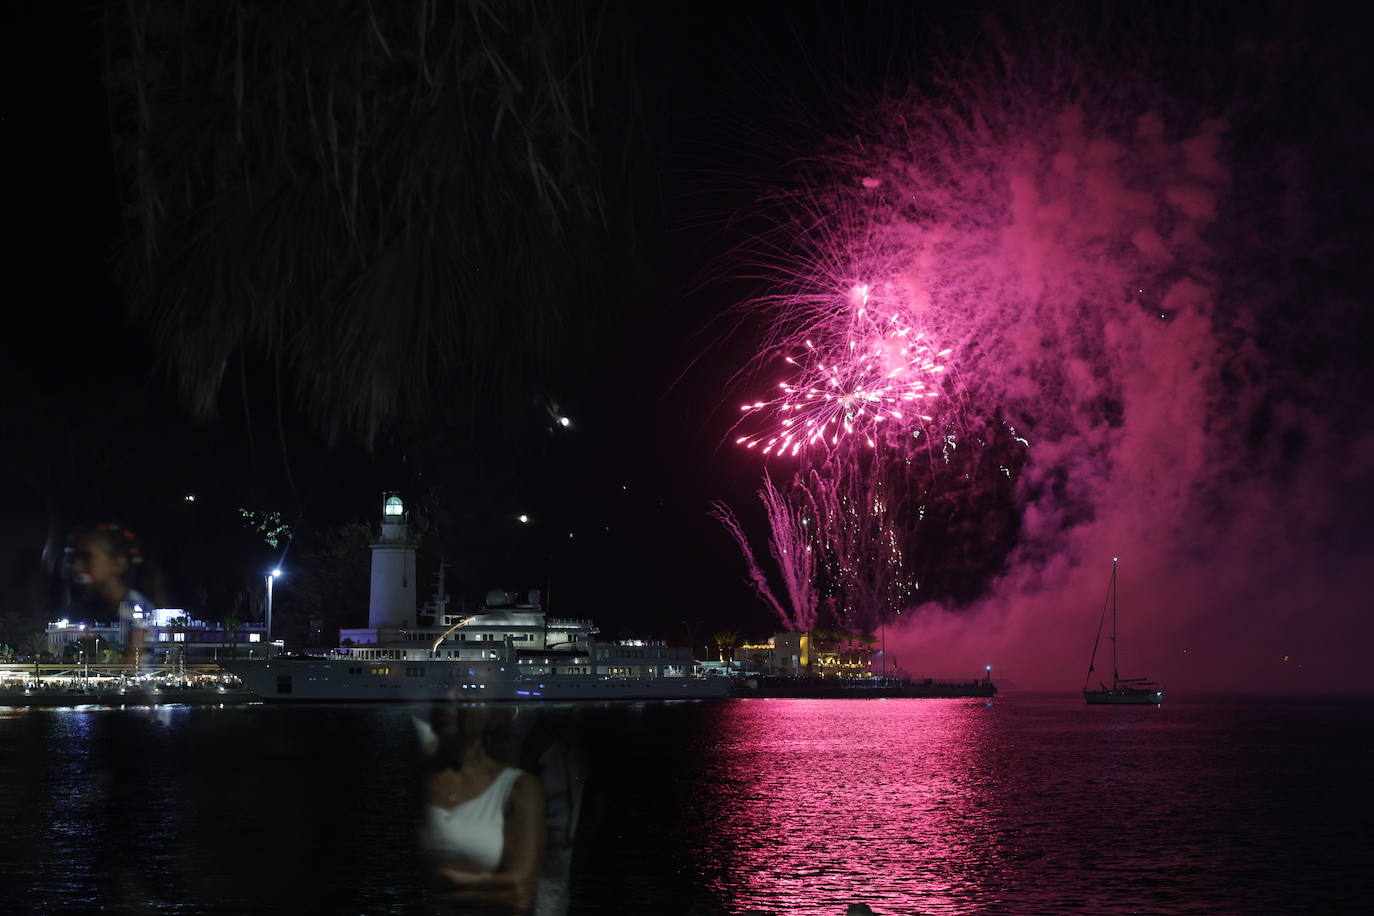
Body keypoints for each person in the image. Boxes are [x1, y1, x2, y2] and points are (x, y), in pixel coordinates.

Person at [420, 701, 545, 914]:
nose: (448, 697)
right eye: (442, 685)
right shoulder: (405, 775)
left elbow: (517, 893)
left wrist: (431, 894)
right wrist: (478, 883)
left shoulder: (520, 787)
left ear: (493, 715)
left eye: (467, 690)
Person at [65, 523, 157, 665]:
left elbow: (136, 664)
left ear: (118, 564)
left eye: (87, 558)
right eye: (75, 558)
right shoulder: (102, 605)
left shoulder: (135, 606)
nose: (77, 567)